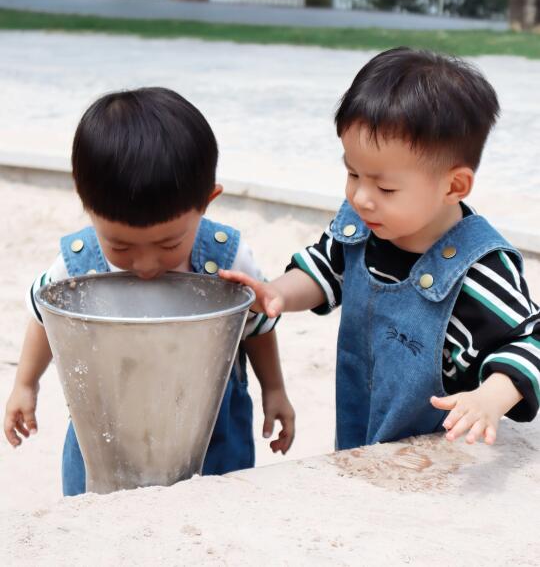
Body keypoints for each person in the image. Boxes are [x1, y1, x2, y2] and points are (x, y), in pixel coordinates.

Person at [221, 48, 540, 449]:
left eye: (385, 188)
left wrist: (489, 398)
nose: (361, 197)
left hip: (437, 457)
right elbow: (325, 271)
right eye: (352, 173)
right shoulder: (361, 229)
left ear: (454, 186)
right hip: (360, 438)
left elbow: (531, 341)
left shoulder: (477, 270)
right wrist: (277, 293)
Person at [4, 87, 295, 494]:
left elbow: (258, 325)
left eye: (168, 244)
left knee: (213, 509)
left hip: (210, 433)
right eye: (121, 246)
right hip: (106, 433)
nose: (145, 264)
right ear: (86, 204)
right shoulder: (77, 265)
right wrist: (26, 383)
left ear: (207, 201)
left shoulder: (226, 259)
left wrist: (274, 389)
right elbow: (45, 316)